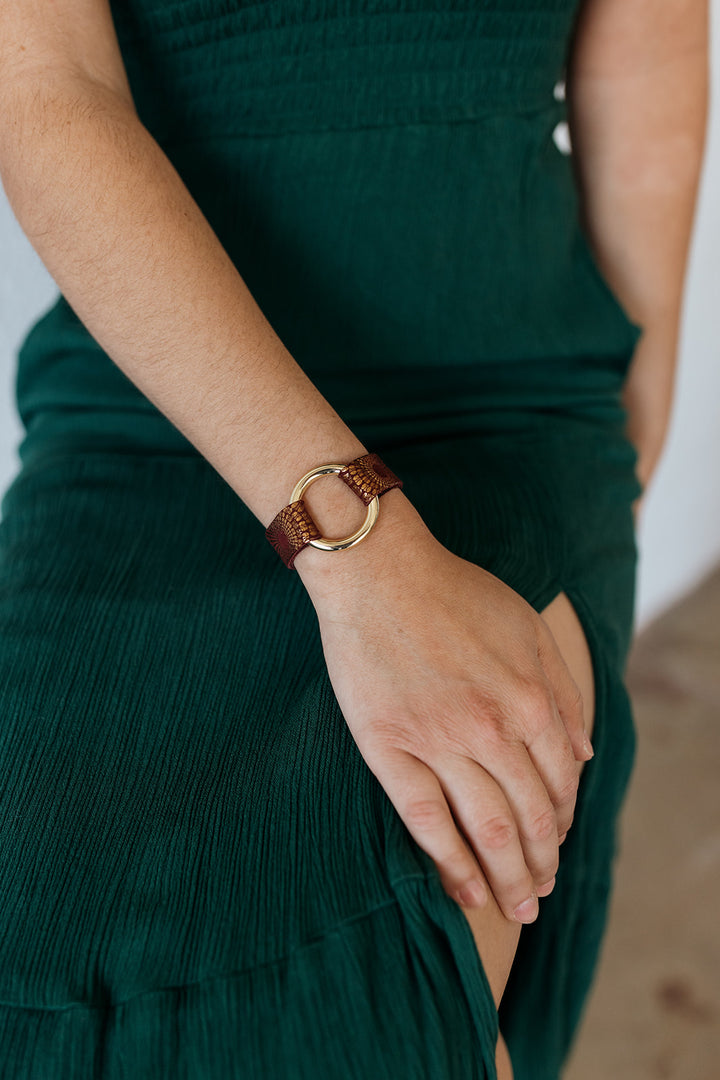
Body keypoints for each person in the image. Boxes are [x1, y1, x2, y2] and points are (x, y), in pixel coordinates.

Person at [0, 0, 708, 1076]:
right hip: (154, 421)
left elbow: (647, 50)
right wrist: (363, 556)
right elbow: (47, 95)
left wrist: (624, 443)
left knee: (362, 1011)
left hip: (499, 415)